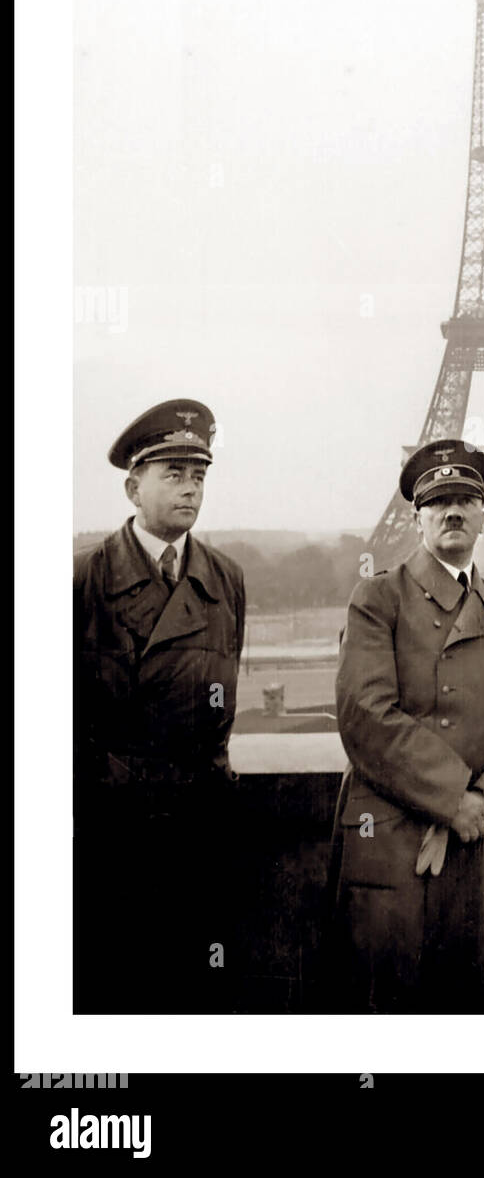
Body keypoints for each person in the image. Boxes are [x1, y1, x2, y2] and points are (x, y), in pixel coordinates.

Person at [328, 439, 484, 1012]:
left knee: (463, 1003)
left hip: (472, 839)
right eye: (439, 500)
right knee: (390, 1006)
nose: (453, 510)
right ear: (417, 516)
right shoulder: (377, 598)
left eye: (466, 499)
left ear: (483, 517)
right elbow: (365, 715)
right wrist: (453, 798)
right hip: (396, 838)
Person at [73, 399, 246, 1012]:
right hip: (116, 835)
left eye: (199, 476)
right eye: (173, 475)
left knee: (200, 995)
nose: (190, 490)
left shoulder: (226, 580)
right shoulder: (81, 582)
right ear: (132, 486)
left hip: (203, 829)